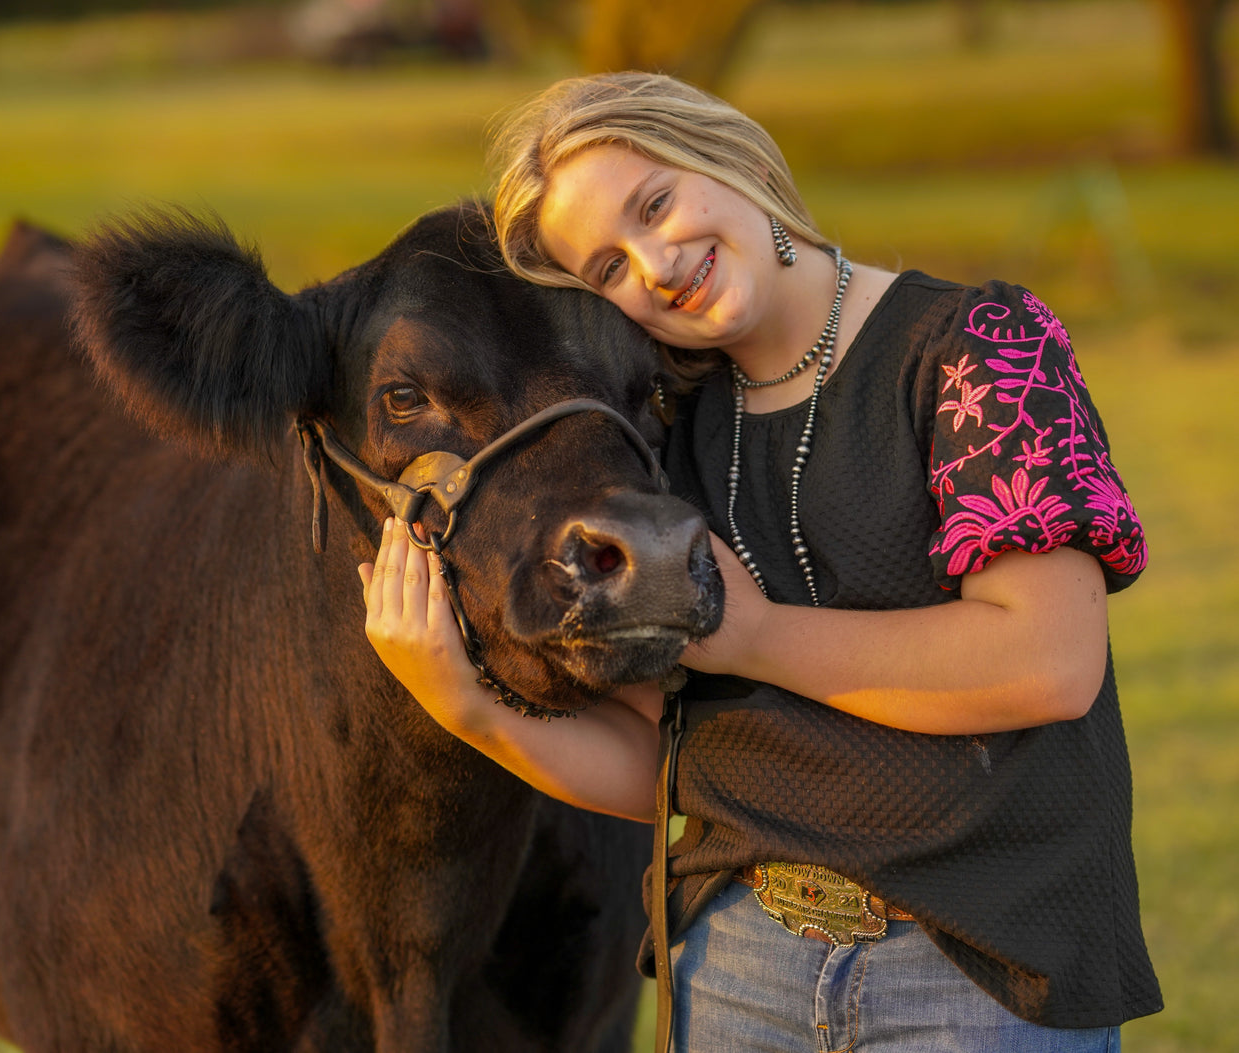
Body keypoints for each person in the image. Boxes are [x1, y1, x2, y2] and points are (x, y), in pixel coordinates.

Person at [358, 72, 1161, 1051]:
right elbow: (674, 763)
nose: (653, 264)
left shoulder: (974, 349)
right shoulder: (664, 433)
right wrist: (466, 705)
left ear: (725, 154)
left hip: (975, 978)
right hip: (739, 964)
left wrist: (753, 634)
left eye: (653, 205)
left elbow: (1045, 663)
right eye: (605, 268)